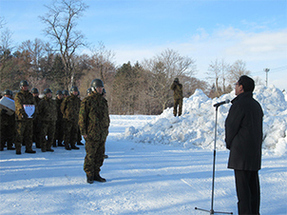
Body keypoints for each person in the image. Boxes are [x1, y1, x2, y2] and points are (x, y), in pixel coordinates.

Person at [225, 75, 263, 215]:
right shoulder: (256, 105)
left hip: (241, 154)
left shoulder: (239, 104)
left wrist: (230, 144)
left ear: (241, 87)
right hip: (254, 153)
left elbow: (231, 126)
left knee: (243, 191)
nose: (235, 86)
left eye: (236, 84)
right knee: (253, 188)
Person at [79, 79, 110, 184]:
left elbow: (106, 117)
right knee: (90, 155)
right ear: (93, 88)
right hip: (91, 133)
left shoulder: (103, 101)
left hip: (102, 133)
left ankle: (96, 174)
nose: (100, 89)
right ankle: (89, 174)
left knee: (100, 155)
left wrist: (106, 129)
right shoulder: (87, 101)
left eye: (101, 87)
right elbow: (82, 118)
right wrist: (83, 131)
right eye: (98, 88)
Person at [14, 80, 36, 154]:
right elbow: (18, 105)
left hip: (29, 118)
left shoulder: (30, 95)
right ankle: (18, 149)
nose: (25, 87)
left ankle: (29, 148)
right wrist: (23, 113)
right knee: (19, 134)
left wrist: (34, 112)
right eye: (24, 86)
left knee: (29, 134)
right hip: (21, 118)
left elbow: (34, 104)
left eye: (26, 86)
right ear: (21, 87)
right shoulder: (18, 95)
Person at [61, 86, 80, 150]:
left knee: (74, 132)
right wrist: (66, 115)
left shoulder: (78, 100)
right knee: (67, 132)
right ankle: (66, 144)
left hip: (76, 118)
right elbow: (62, 108)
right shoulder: (67, 99)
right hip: (68, 119)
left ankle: (73, 144)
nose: (75, 93)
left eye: (76, 92)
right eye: (74, 92)